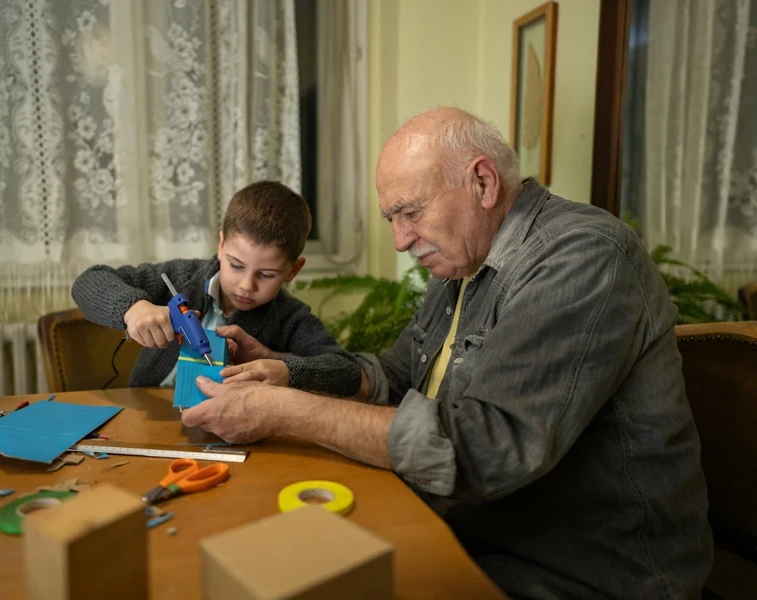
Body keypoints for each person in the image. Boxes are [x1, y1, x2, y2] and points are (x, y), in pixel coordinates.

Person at [179, 108, 714, 599]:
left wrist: (282, 409)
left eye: (408, 212)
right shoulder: (462, 267)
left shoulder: (584, 255)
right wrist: (286, 370)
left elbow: (487, 449)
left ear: (482, 182)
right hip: (466, 529)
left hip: (582, 573)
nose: (399, 240)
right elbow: (390, 377)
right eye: (391, 218)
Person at [71, 180, 362, 396]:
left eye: (267, 274)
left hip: (231, 434)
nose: (247, 285)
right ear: (221, 245)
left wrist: (282, 365)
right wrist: (133, 308)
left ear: (293, 271)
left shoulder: (290, 317)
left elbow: (346, 372)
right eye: (236, 265)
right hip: (149, 415)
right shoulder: (180, 277)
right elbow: (88, 282)